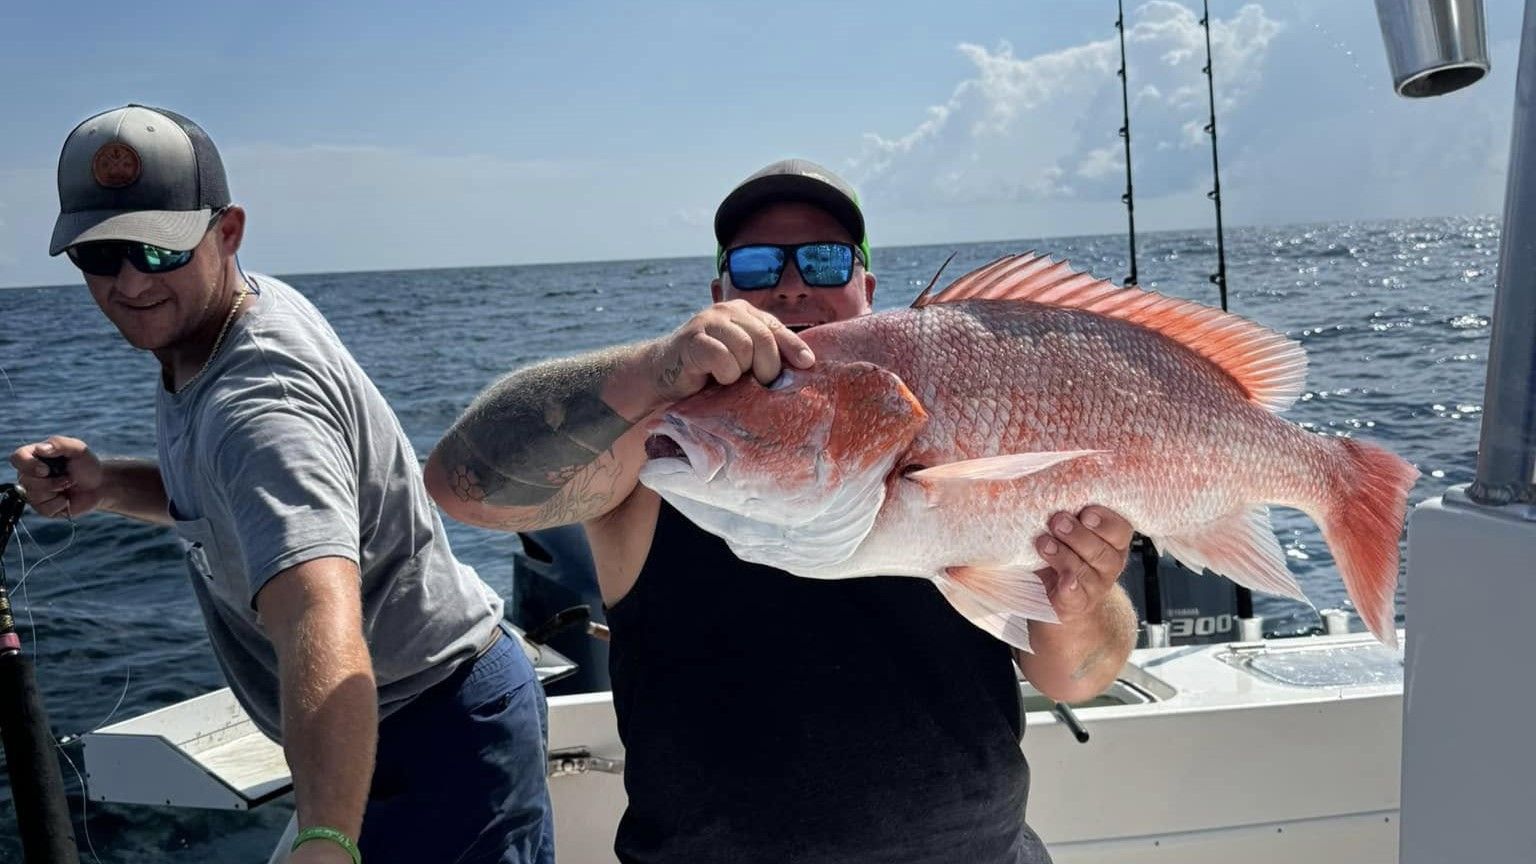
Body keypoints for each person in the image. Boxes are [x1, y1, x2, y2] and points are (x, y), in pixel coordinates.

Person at [426, 159, 1139, 864]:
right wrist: (655, 370)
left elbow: (1079, 678)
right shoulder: (659, 446)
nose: (793, 285)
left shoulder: (963, 421)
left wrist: (1082, 592)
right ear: (719, 294)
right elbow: (464, 487)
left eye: (826, 261)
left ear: (867, 289)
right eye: (759, 264)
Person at [10, 105, 553, 864]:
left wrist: (327, 840)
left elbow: (316, 612)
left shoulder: (260, 404)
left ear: (226, 232)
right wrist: (107, 486)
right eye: (101, 254)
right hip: (395, 724)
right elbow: (231, 502)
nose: (130, 281)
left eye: (158, 250)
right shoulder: (216, 323)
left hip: (432, 737)